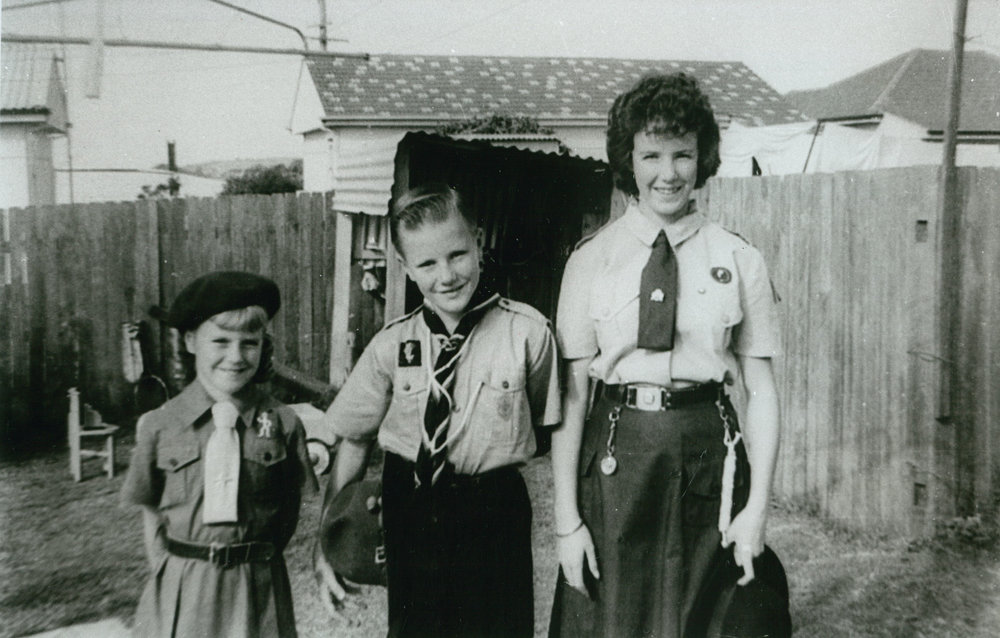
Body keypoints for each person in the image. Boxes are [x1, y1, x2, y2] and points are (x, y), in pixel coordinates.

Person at [549, 72, 784, 638]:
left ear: (702, 158)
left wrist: (756, 510)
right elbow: (572, 397)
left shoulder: (738, 257)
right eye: (651, 154)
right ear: (628, 160)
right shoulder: (590, 259)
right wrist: (565, 520)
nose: (668, 172)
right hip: (618, 460)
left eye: (683, 154)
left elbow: (763, 391)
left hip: (708, 455)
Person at [315, 183, 561, 638]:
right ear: (406, 268)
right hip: (409, 506)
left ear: (479, 241)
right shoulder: (391, 344)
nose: (446, 275)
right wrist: (326, 541)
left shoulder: (527, 333)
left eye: (457, 255)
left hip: (494, 509)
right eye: (427, 263)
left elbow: (548, 422)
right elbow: (354, 439)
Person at [121, 271, 318, 638]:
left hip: (256, 585)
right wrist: (171, 575)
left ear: (263, 346)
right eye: (221, 341)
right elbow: (151, 513)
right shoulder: (160, 424)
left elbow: (289, 510)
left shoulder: (284, 423)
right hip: (183, 581)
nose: (235, 356)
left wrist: (257, 563)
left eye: (249, 343)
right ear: (192, 340)